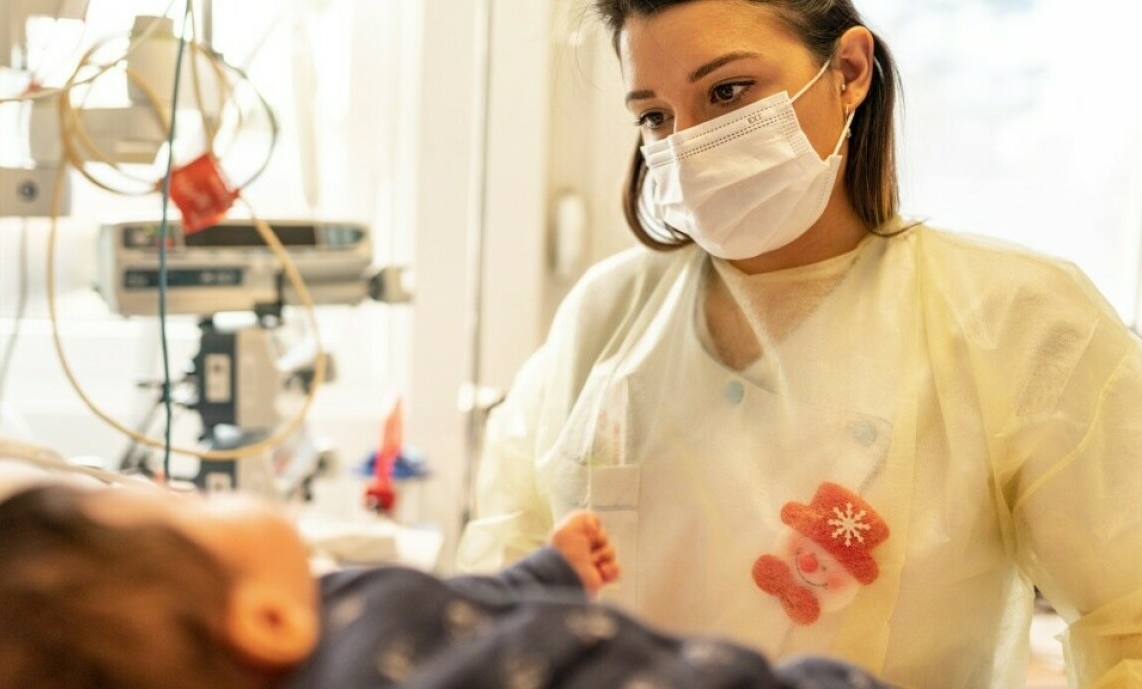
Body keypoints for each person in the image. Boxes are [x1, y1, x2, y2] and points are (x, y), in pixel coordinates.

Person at [457, 1, 1142, 687]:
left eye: (728, 91)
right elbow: (502, 590)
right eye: (656, 117)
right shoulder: (607, 314)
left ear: (849, 70)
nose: (688, 144)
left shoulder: (1014, 319)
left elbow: (1130, 624)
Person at [0, 483, 893, 689]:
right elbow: (497, 637)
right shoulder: (354, 615)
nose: (191, 487)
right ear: (264, 617)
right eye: (185, 503)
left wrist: (549, 571)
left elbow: (469, 617)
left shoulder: (349, 637)